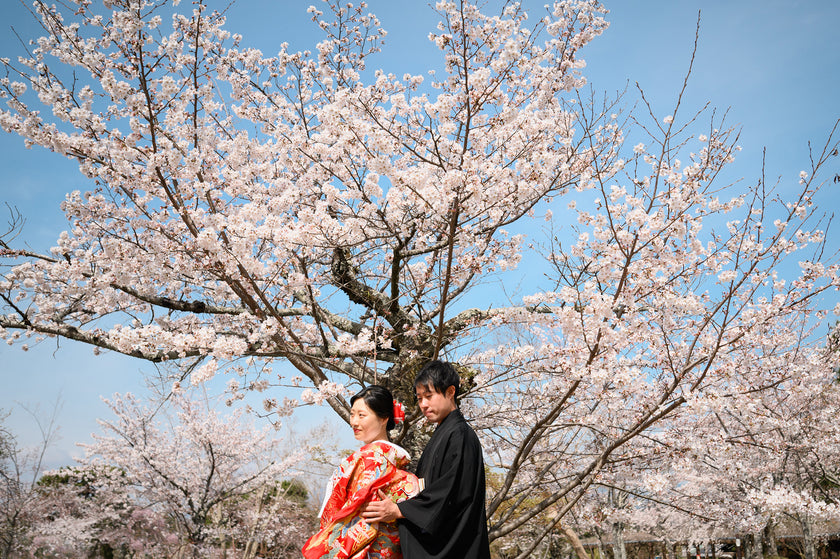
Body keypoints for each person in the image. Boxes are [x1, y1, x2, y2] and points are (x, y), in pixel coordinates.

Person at [361, 360, 491, 559]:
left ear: (450, 392)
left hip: (455, 546)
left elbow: (449, 493)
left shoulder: (460, 435)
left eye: (429, 396)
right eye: (419, 398)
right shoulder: (444, 432)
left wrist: (398, 510)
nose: (423, 404)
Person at [302, 385, 420, 559]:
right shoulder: (392, 458)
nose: (354, 422)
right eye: (352, 414)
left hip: (366, 547)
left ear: (384, 418)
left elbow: (355, 515)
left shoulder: (372, 458)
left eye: (361, 415)